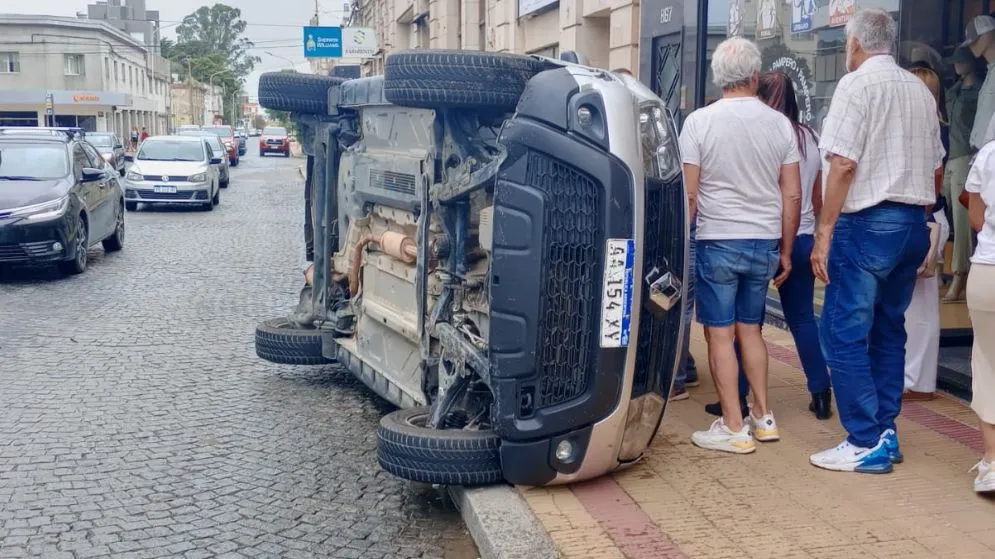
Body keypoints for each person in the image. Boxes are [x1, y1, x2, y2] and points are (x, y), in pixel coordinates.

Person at [808, 8, 943, 474]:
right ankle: (885, 430)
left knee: (841, 331)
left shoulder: (856, 85)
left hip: (867, 221)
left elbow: (842, 164)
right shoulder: (918, 91)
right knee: (888, 330)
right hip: (911, 223)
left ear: (855, 44)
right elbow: (936, 164)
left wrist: (823, 231)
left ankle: (865, 438)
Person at [678, 36, 802, 454]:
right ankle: (762, 417)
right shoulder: (779, 123)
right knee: (751, 329)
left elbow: (690, 196)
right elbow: (792, 195)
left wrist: (682, 242)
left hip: (717, 239)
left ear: (718, 79)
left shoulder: (699, 122)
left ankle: (733, 426)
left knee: (719, 334)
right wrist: (785, 249)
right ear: (754, 77)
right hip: (763, 239)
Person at [903, 66, 951, 401]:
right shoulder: (935, 128)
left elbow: (933, 183)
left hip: (925, 218)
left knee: (915, 307)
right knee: (921, 305)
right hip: (931, 217)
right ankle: (919, 381)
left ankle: (914, 380)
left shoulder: (926, 130)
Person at [964, 133, 995, 493]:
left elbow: (975, 216)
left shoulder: (988, 153)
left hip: (988, 268)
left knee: (987, 364)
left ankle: (991, 461)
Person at [944, 47, 982, 302]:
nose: (957, 65)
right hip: (951, 158)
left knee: (961, 219)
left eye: (961, 60)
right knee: (948, 214)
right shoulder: (955, 91)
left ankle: (960, 274)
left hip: (965, 158)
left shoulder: (978, 91)